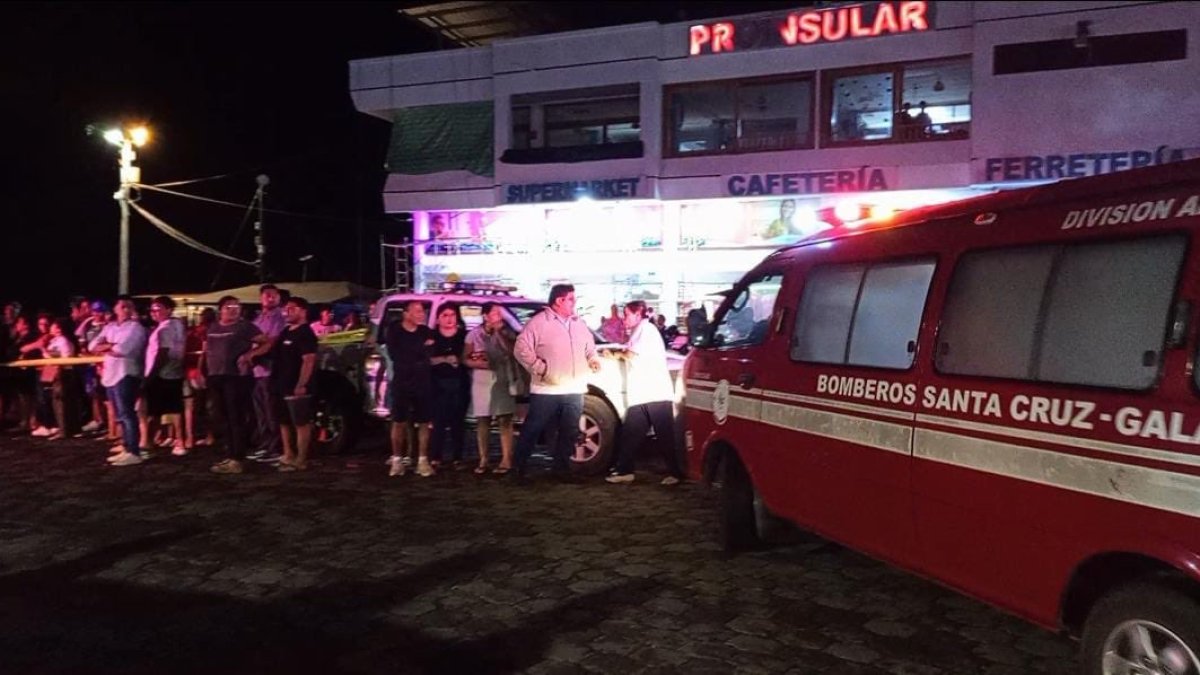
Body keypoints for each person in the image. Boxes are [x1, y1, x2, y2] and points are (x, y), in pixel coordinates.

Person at [512, 284, 601, 480]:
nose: (574, 303)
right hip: (547, 389)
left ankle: (561, 469)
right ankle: (518, 468)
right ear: (559, 300)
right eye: (571, 299)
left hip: (574, 386)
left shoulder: (578, 323)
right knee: (533, 429)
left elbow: (590, 347)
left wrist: (593, 359)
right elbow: (520, 348)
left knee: (569, 430)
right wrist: (540, 368)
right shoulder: (539, 322)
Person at [605, 301, 684, 485]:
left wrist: (614, 354)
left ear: (638, 314)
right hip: (642, 393)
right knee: (630, 433)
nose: (624, 319)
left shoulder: (646, 330)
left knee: (664, 435)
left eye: (627, 315)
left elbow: (632, 354)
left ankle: (676, 472)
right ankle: (625, 470)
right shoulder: (640, 331)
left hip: (655, 392)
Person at [202, 296, 265, 475]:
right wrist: (203, 370)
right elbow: (208, 350)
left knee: (236, 417)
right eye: (229, 306)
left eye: (237, 307)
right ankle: (229, 455)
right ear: (220, 309)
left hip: (236, 377)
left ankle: (237, 458)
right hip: (216, 376)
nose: (233, 309)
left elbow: (266, 342)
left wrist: (249, 355)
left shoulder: (245, 326)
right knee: (222, 417)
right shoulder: (213, 327)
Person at [89, 297, 148, 467]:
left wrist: (107, 346)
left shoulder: (136, 328)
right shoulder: (110, 327)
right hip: (111, 374)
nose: (125, 309)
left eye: (128, 307)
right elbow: (93, 345)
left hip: (126, 373)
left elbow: (123, 349)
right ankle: (127, 447)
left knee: (127, 413)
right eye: (122, 306)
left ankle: (134, 451)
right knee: (120, 415)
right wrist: (110, 345)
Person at [464, 302, 517, 474]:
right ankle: (484, 458)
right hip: (481, 379)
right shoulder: (474, 334)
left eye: (499, 313)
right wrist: (476, 363)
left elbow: (511, 351)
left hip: (501, 378)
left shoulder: (506, 332)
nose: (498, 316)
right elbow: (465, 358)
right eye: (494, 313)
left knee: (505, 419)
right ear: (485, 316)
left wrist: (498, 333)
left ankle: (507, 459)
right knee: (483, 420)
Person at [384, 299, 435, 477]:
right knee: (399, 421)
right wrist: (419, 350)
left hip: (422, 382)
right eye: (417, 311)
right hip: (402, 381)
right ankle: (397, 459)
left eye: (422, 311)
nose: (422, 314)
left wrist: (420, 352)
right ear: (406, 314)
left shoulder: (425, 331)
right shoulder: (394, 330)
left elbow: (429, 353)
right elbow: (396, 354)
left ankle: (422, 460)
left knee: (423, 421)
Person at [270, 296, 318, 471]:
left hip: (296, 385)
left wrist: (302, 383)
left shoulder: (306, 333)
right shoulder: (286, 331)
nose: (287, 312)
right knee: (283, 421)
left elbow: (309, 360)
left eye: (292, 308)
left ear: (303, 311)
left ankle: (301, 457)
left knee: (300, 422)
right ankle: (288, 453)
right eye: (286, 308)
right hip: (280, 384)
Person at [144, 296, 187, 456]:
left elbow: (163, 352)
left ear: (169, 309)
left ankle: (148, 443)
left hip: (162, 373)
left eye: (158, 309)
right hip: (175, 371)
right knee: (175, 408)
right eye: (152, 309)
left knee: (154, 411)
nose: (154, 312)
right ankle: (179, 441)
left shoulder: (165, 328)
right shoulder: (178, 325)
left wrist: (151, 375)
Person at [428, 302, 468, 469]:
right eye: (445, 315)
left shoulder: (464, 336)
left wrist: (460, 360)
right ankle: (436, 456)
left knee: (458, 421)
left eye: (452, 315)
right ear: (438, 319)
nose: (449, 319)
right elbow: (426, 359)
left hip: (460, 383)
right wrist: (444, 359)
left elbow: (469, 356)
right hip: (438, 384)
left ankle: (457, 457)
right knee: (438, 421)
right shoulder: (432, 337)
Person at [250, 284, 286, 463]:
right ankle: (264, 445)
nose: (270, 298)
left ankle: (275, 447)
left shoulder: (279, 317)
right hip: (256, 371)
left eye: (273, 295)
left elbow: (272, 341)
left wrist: (252, 354)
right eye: (266, 295)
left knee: (272, 412)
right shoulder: (258, 319)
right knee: (261, 412)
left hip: (270, 370)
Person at [183, 307, 216, 450]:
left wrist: (197, 369)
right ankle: (207, 435)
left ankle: (201, 435)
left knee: (200, 405)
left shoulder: (202, 332)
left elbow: (203, 352)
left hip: (200, 371)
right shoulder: (208, 330)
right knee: (206, 405)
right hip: (204, 371)